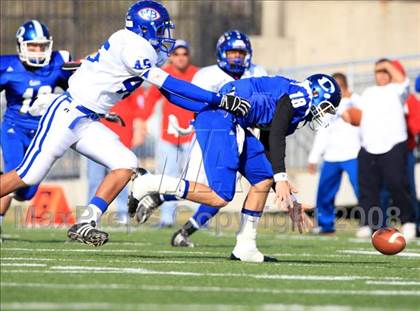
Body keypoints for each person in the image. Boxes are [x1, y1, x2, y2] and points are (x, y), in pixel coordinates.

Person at [0, 0, 250, 247]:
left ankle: (86, 223)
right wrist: (219, 99)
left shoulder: (144, 48)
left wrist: (210, 107)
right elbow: (172, 85)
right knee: (27, 176)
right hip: (67, 113)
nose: (165, 34)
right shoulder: (131, 46)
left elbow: (170, 94)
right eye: (161, 28)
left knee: (126, 164)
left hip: (88, 119)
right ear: (146, 28)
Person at [129, 73, 342, 262]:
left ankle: (246, 247)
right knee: (220, 196)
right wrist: (282, 176)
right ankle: (147, 182)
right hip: (221, 117)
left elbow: (268, 138)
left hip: (232, 119)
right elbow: (277, 134)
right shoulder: (301, 98)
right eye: (325, 107)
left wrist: (285, 191)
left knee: (263, 179)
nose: (323, 114)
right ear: (316, 93)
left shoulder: (296, 96)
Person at [0, 20, 72, 238]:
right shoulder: (8, 67)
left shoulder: (57, 64)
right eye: (32, 46)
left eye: (41, 46)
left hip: (42, 134)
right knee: (14, 175)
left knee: (26, 192)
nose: (38, 51)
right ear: (21, 46)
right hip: (14, 129)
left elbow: (77, 92)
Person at [354, 59, 416, 241]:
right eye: (377, 71)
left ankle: (408, 221)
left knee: (397, 184)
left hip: (393, 144)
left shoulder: (398, 90)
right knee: (367, 188)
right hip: (368, 146)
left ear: (391, 72)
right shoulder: (368, 92)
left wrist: (387, 64)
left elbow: (402, 79)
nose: (380, 74)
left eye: (384, 71)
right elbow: (359, 116)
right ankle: (370, 224)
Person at [140, 39, 198, 227]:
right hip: (168, 136)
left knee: (196, 177)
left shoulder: (197, 74)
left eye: (184, 54)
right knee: (168, 178)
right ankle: (167, 219)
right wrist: (141, 120)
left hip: (192, 135)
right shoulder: (164, 74)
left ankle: (199, 218)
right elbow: (151, 99)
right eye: (176, 54)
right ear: (171, 57)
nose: (181, 58)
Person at [308, 73, 360, 234]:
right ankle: (325, 224)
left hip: (354, 154)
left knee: (362, 190)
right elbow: (322, 133)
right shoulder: (327, 104)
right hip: (331, 156)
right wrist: (313, 157)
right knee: (324, 192)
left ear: (343, 85)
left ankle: (371, 224)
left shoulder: (357, 100)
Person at [86, 88, 147, 225]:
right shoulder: (95, 80)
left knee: (121, 182)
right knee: (94, 181)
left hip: (121, 139)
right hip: (94, 140)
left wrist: (138, 130)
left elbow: (139, 109)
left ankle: (123, 215)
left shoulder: (130, 80)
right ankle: (89, 217)